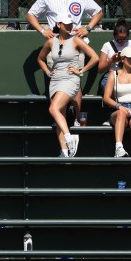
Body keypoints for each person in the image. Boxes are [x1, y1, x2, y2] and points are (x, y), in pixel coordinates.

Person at [26, 0, 103, 126]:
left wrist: (88, 27)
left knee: (75, 82)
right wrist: (41, 30)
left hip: (76, 43)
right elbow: (30, 14)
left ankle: (75, 118)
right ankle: (58, 117)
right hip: (56, 44)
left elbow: (98, 12)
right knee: (55, 80)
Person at [37, 15, 98, 157]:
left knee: (53, 109)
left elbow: (95, 57)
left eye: (71, 24)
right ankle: (64, 151)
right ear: (59, 24)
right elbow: (40, 59)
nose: (70, 26)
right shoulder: (51, 42)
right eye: (66, 24)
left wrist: (81, 71)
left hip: (71, 79)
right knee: (59, 115)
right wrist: (47, 72)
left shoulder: (76, 40)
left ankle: (70, 137)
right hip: (55, 80)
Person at [97, 18, 131, 94]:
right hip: (111, 75)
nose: (122, 42)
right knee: (115, 91)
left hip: (129, 75)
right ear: (114, 36)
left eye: (125, 39)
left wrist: (126, 60)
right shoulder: (107, 45)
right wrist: (111, 60)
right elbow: (100, 69)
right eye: (119, 39)